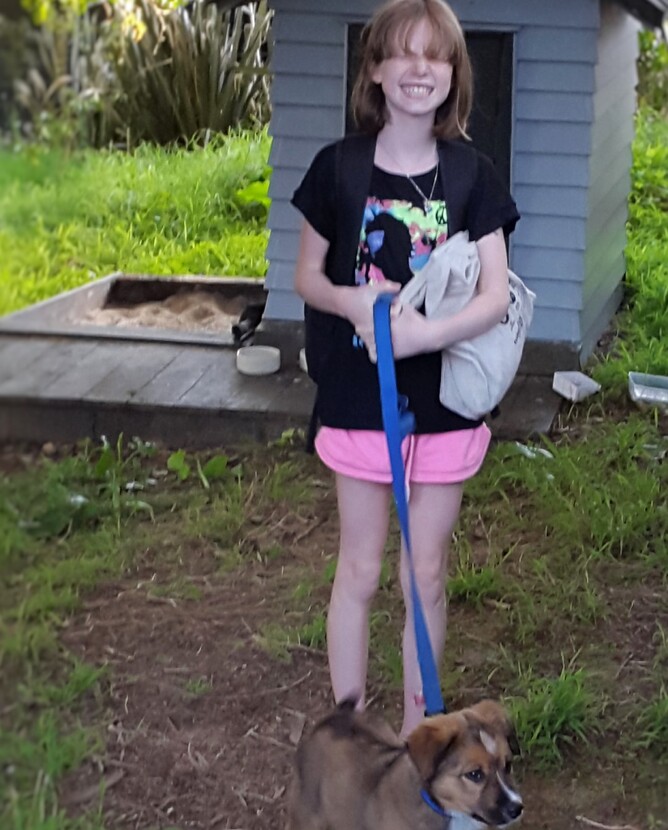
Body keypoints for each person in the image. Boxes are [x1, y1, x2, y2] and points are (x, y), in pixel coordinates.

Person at [291, 0, 519, 737]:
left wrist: (427, 337)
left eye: (436, 56)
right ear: (376, 70)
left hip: (445, 406)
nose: (420, 69)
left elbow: (495, 297)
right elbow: (307, 277)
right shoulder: (338, 168)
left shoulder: (474, 175)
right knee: (359, 570)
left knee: (424, 574)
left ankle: (423, 738)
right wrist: (353, 302)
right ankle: (352, 737)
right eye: (404, 53)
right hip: (360, 402)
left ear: (454, 75)